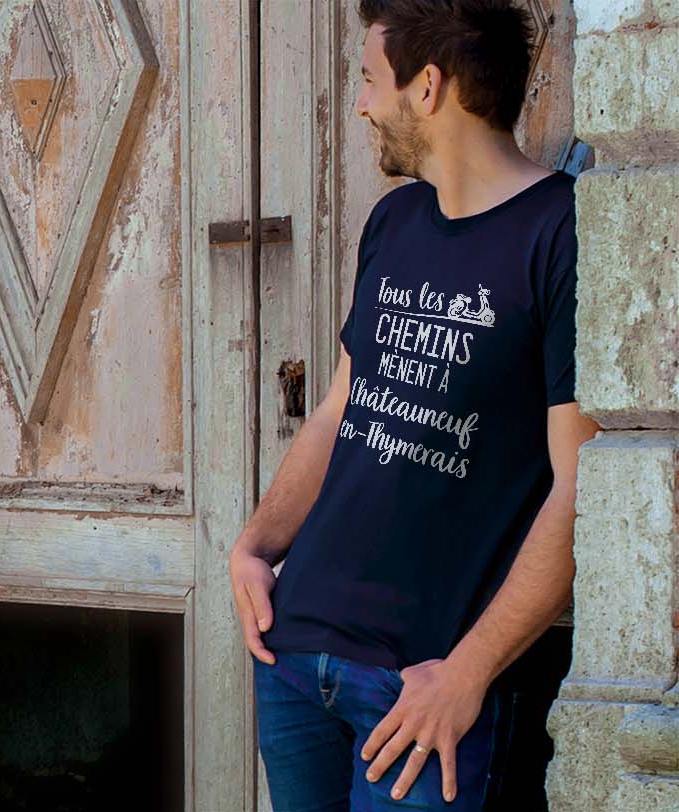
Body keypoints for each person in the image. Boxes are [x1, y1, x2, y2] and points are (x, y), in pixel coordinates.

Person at [229, 1, 599, 809]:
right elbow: (337, 413)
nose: (361, 104)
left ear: (427, 86)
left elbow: (582, 491)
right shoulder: (394, 221)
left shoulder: (560, 235)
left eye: (369, 79)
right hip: (296, 663)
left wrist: (467, 674)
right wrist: (255, 545)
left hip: (421, 693)